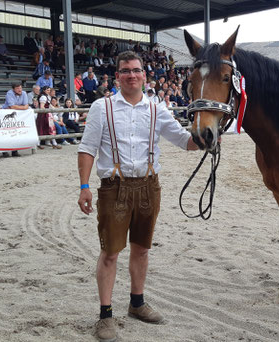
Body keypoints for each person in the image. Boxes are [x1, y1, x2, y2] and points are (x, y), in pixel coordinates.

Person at [77, 51, 200, 342]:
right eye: (125, 71)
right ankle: (105, 314)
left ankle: (136, 303)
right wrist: (84, 186)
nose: (131, 75)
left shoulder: (157, 109)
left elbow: (184, 141)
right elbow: (87, 148)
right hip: (114, 188)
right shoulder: (101, 107)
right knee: (110, 253)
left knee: (142, 248)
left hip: (148, 186)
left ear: (145, 75)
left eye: (136, 70)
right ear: (117, 75)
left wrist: (205, 138)